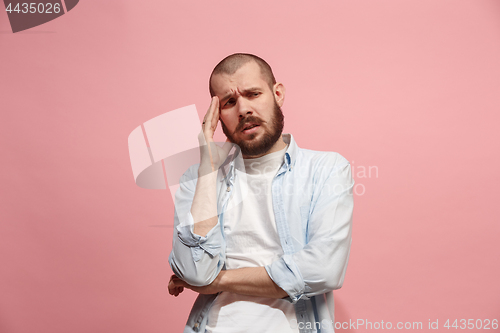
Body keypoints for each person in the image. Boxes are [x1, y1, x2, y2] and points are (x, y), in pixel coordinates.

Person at [168, 53, 354, 333]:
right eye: (229, 102)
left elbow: (324, 269)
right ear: (216, 116)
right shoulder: (196, 179)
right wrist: (208, 164)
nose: (243, 109)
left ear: (277, 93)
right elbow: (193, 271)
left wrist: (215, 281)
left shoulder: (326, 169)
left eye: (253, 94)